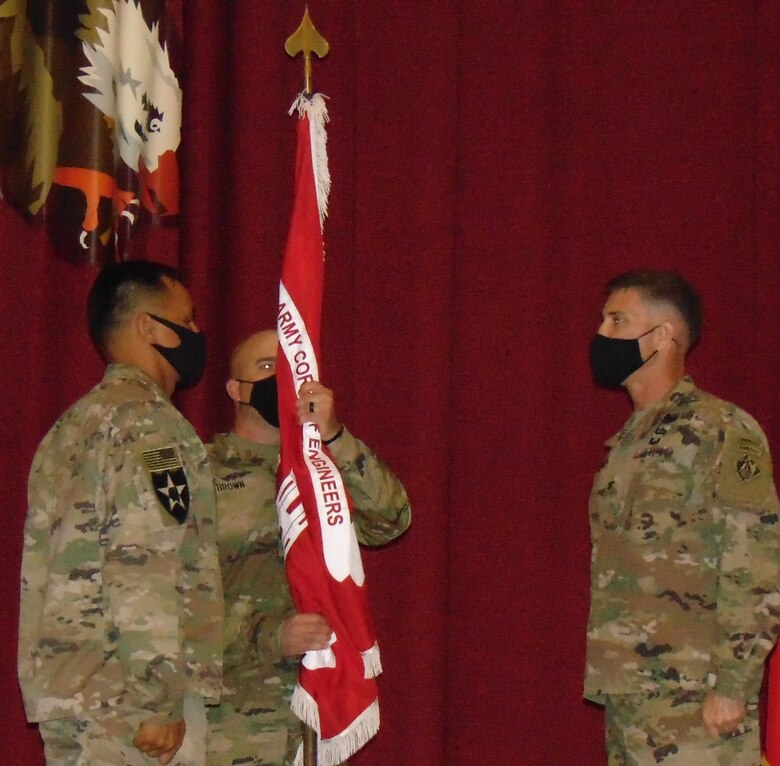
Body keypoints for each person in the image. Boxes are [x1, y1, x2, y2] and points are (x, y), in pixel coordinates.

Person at [19, 260, 223, 766]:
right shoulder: (151, 426)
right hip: (129, 706)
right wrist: (159, 697)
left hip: (76, 691)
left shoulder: (71, 428)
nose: (196, 333)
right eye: (188, 318)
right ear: (148, 326)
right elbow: (141, 560)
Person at [584, 269, 780, 765]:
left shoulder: (721, 429)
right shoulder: (626, 444)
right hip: (630, 697)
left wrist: (733, 685)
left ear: (663, 335)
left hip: (697, 704)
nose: (602, 335)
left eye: (617, 320)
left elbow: (756, 563)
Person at [205, 329, 411, 766]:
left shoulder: (323, 466)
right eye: (265, 368)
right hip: (235, 719)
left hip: (319, 716)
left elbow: (391, 520)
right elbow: (169, 601)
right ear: (235, 390)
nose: (280, 378)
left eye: (291, 369)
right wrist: (268, 634)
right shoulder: (201, 471)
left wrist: (334, 437)